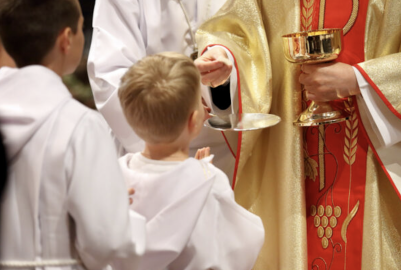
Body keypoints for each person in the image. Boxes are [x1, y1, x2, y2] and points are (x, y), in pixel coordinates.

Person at [194, 0, 401, 269]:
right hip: (292, 171)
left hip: (395, 163)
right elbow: (243, 29)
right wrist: (224, 55)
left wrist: (360, 81)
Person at [0, 0, 146, 268]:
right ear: (66, 40)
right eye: (81, 27)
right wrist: (114, 208)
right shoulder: (82, 126)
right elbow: (108, 243)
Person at [116, 52, 264, 270]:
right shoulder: (209, 181)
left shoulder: (115, 175)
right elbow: (239, 247)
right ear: (195, 121)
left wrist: (196, 172)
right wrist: (204, 178)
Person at [87, 0, 238, 181]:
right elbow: (110, 74)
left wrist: (226, 56)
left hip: (227, 150)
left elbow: (253, 40)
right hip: (151, 154)